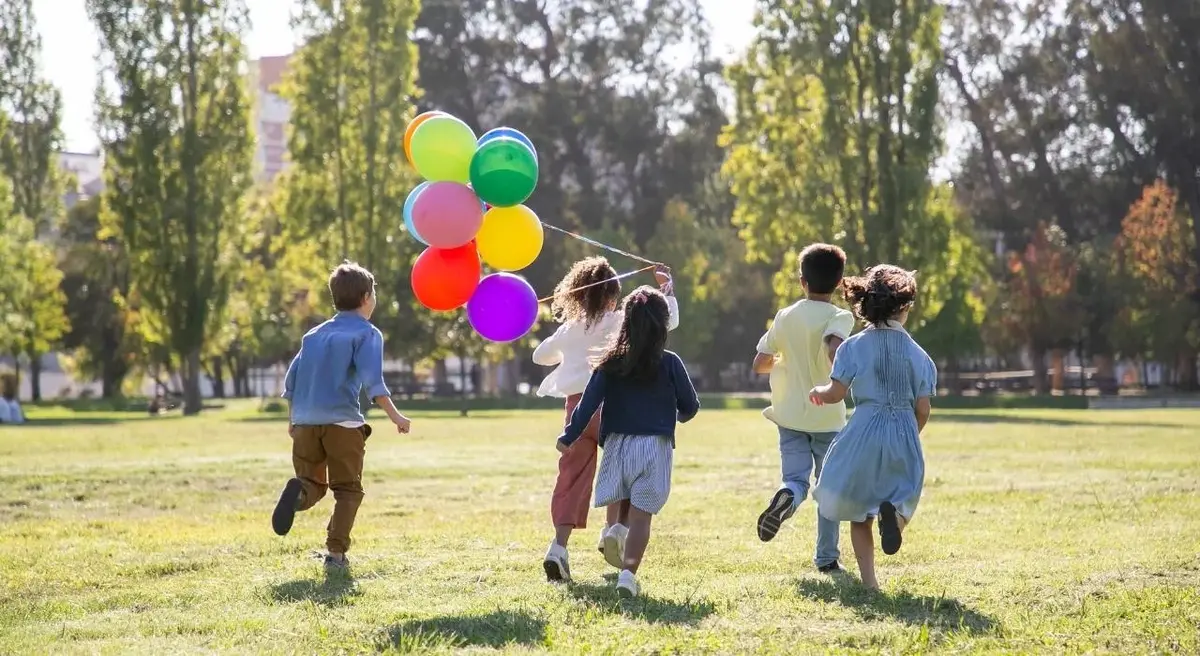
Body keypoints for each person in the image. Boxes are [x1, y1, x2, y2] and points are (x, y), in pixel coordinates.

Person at [533, 257, 678, 583]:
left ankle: (558, 547)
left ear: (578, 296)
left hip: (576, 412)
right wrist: (666, 289)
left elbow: (539, 356)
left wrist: (566, 340)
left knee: (571, 479)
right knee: (624, 471)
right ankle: (613, 531)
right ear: (613, 297)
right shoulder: (619, 322)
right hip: (614, 408)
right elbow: (667, 322)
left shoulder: (569, 329)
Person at [556, 286, 700, 598]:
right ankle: (627, 575)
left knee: (622, 500)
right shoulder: (671, 362)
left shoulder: (610, 363)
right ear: (663, 324)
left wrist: (569, 436)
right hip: (655, 447)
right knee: (642, 517)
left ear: (626, 323)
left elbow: (587, 405)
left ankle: (614, 530)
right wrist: (677, 415)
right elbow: (690, 405)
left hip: (618, 446)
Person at [271, 261, 413, 573]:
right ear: (366, 297)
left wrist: (293, 421)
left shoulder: (314, 335)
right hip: (342, 424)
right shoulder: (366, 333)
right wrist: (396, 416)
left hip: (305, 423)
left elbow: (291, 382)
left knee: (312, 483)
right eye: (373, 293)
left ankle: (298, 494)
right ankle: (335, 554)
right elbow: (373, 382)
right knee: (348, 490)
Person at [809, 264, 935, 590]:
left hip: (863, 430)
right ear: (905, 307)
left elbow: (836, 393)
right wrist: (910, 433)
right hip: (903, 431)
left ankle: (870, 584)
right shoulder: (920, 356)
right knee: (905, 496)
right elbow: (923, 408)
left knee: (858, 513)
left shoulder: (851, 347)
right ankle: (895, 520)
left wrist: (819, 392)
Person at [751, 243, 853, 573]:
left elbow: (760, 362)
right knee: (829, 488)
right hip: (827, 415)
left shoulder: (785, 316)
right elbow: (833, 345)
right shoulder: (841, 316)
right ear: (839, 283)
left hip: (789, 414)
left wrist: (786, 363)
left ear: (801, 281)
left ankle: (787, 497)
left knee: (795, 479)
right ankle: (826, 558)